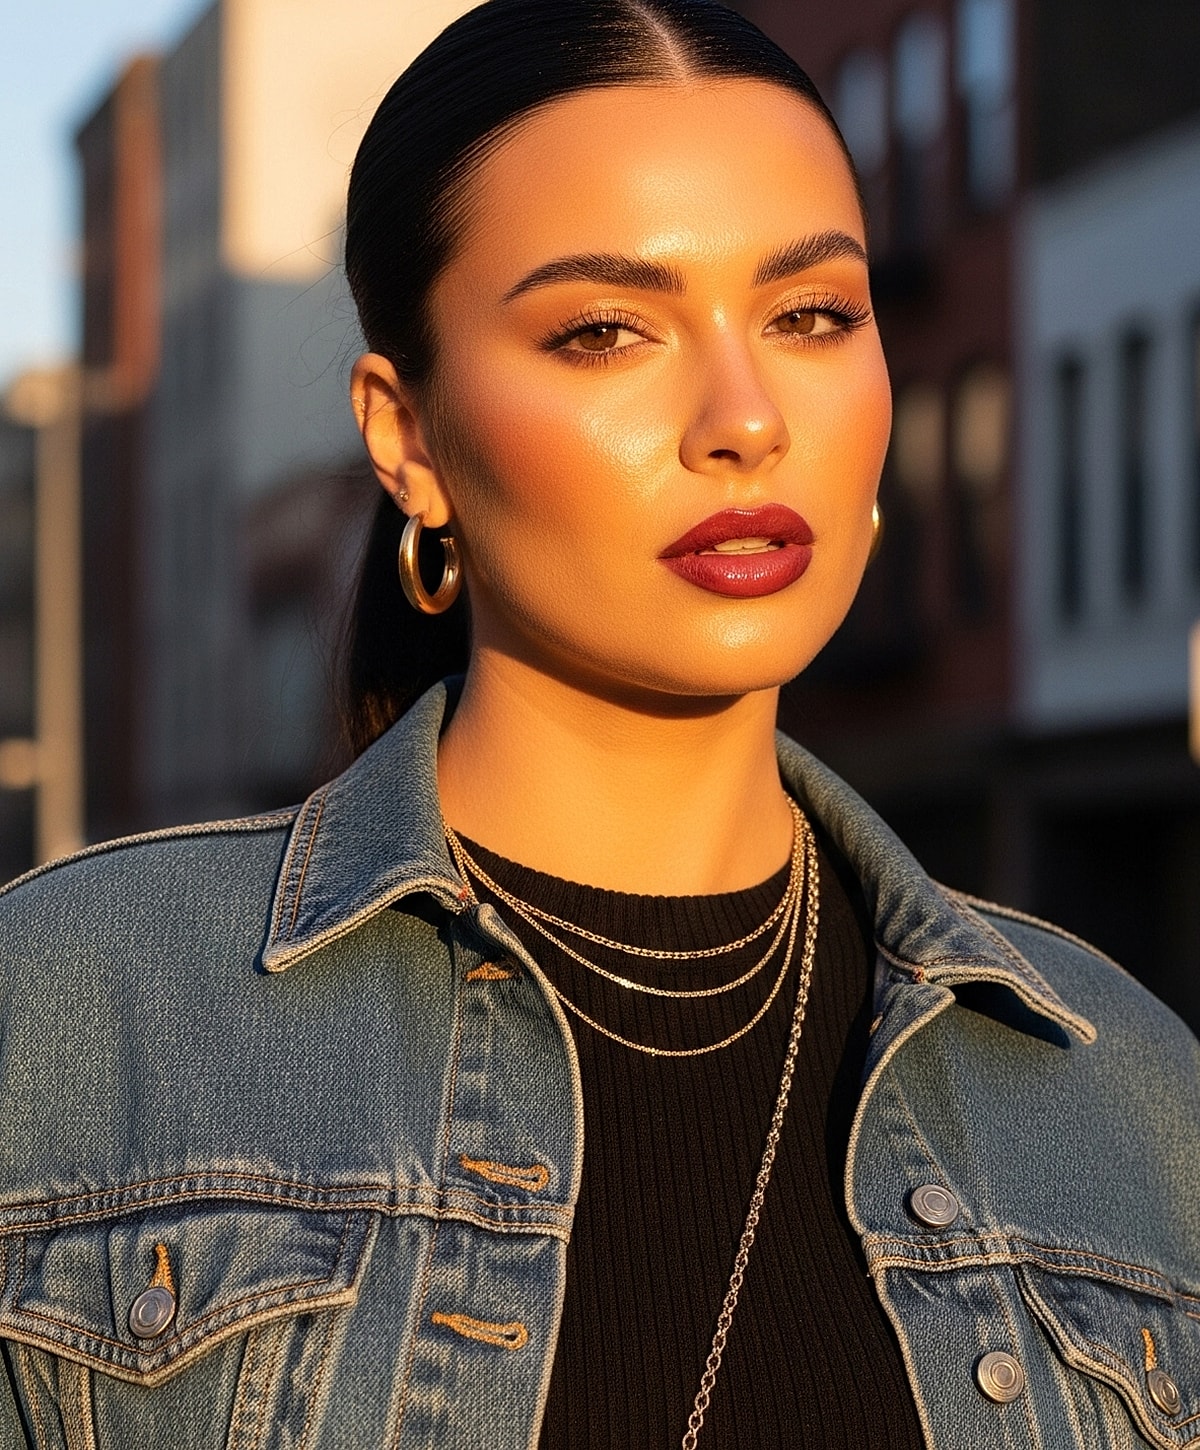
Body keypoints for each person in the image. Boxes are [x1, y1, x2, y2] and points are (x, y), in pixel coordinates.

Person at [1, 1, 1198, 1446]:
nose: (746, 417)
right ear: (408, 438)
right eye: (605, 331)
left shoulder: (1128, 1091)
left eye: (812, 314)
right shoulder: (71, 1019)